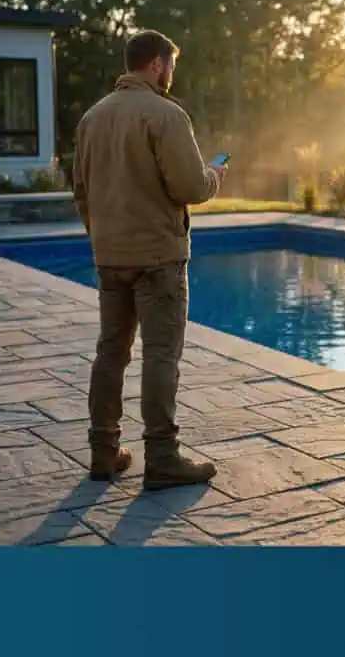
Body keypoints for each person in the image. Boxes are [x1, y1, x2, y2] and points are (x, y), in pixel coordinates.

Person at [70, 30, 225, 491]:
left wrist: (102, 238)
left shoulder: (92, 118)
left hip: (110, 256)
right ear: (157, 64)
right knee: (161, 356)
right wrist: (214, 176)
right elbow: (190, 188)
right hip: (158, 258)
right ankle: (162, 457)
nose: (172, 74)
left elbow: (81, 191)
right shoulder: (166, 114)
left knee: (109, 353)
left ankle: (103, 452)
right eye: (171, 65)